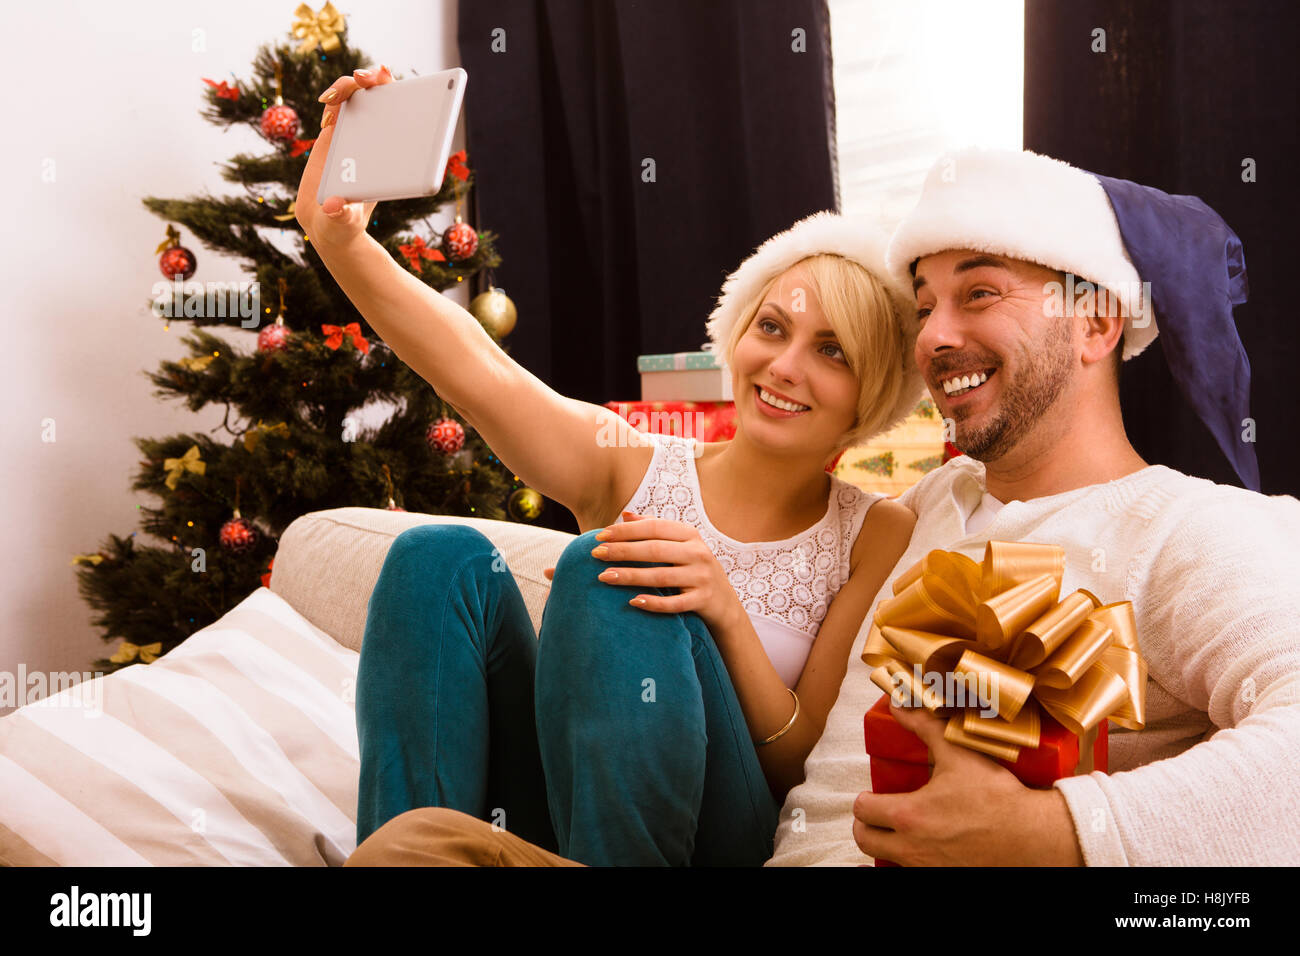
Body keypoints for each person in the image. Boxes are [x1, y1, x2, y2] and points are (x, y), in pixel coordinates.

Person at [355, 146, 1300, 867]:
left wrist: (1056, 831)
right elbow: (488, 381)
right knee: (412, 848)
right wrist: (339, 236)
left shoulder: (1193, 528)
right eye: (925, 303)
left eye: (980, 294)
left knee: (607, 579)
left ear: (1096, 317)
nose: (936, 335)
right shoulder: (927, 509)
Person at [299, 67, 924, 866]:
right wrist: (341, 242)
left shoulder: (878, 530)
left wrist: (721, 609)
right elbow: (477, 369)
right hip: (559, 816)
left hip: (723, 829)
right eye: (772, 327)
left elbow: (805, 766)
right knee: (434, 558)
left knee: (618, 576)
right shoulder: (628, 462)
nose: (786, 365)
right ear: (737, 336)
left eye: (831, 351)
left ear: (869, 394)